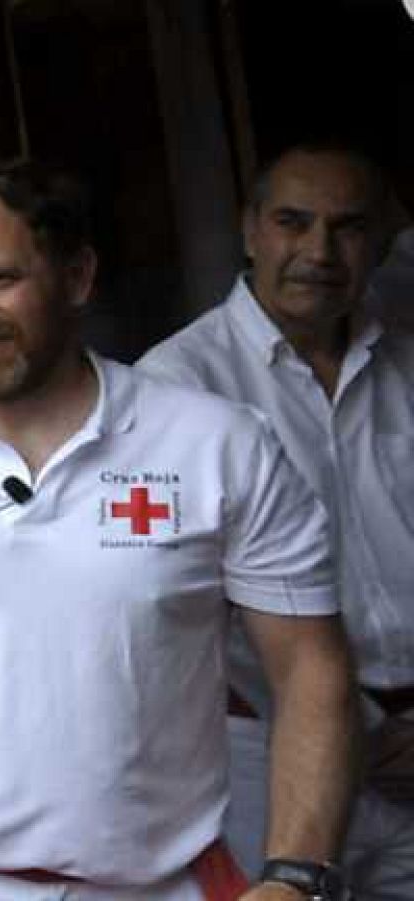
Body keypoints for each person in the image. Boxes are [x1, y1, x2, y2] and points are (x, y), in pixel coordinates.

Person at [0, 159, 358, 901]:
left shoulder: (215, 444)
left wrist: (293, 874)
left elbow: (310, 665)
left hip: (155, 885)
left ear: (78, 276)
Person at [137, 144, 414, 896]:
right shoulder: (177, 386)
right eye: (294, 222)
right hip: (269, 753)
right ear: (251, 229)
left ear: (382, 241)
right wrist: (365, 727)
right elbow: (184, 594)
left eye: (347, 227)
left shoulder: (406, 360)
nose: (318, 251)